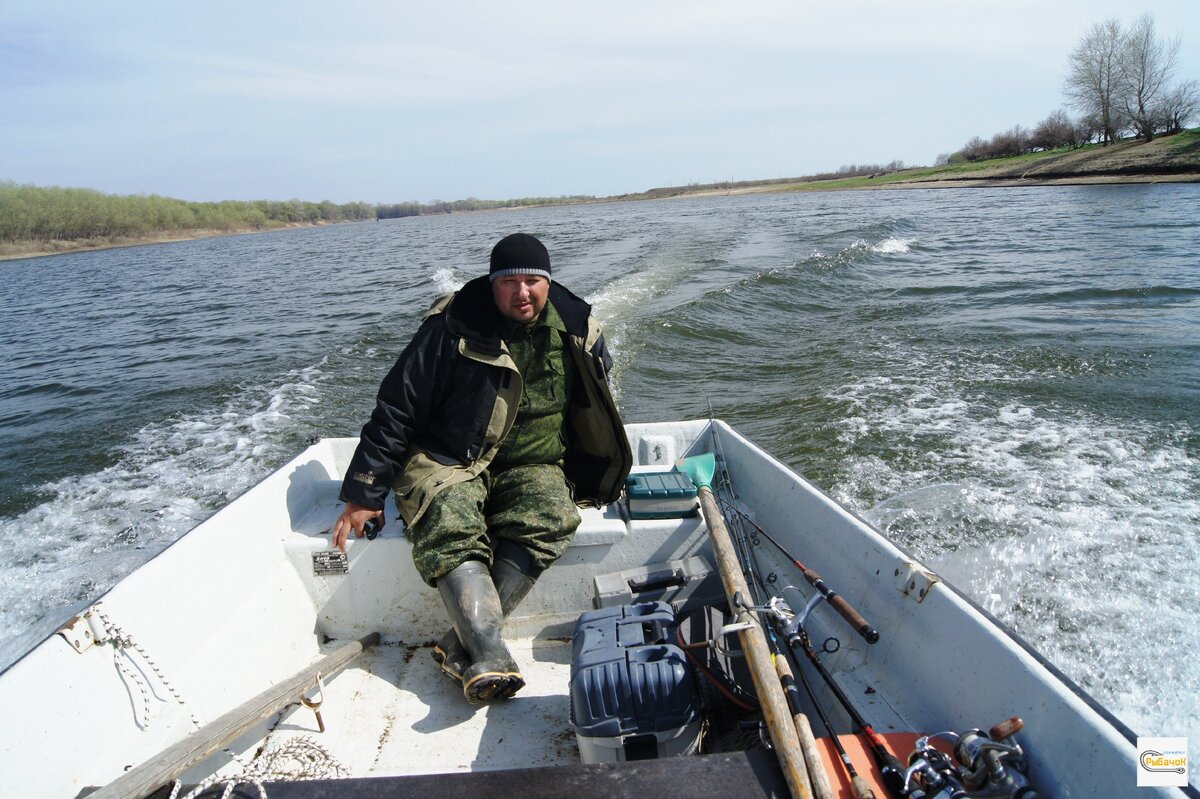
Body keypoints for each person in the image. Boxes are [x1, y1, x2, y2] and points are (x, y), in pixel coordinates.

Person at [331, 232, 631, 704]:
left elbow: (596, 400)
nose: (522, 292)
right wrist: (364, 493)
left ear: (549, 284)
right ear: (492, 286)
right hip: (451, 457)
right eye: (509, 282)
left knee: (553, 514)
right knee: (448, 520)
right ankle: (490, 652)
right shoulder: (451, 327)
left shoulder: (576, 327)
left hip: (534, 462)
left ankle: (461, 645)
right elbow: (397, 407)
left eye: (533, 280)